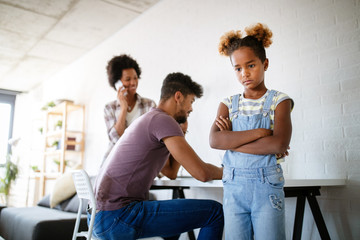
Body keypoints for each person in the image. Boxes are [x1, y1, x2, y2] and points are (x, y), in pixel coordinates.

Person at [93, 72, 224, 240]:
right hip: (118, 215)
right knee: (214, 212)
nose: (191, 108)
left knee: (173, 230)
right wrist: (230, 171)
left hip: (99, 218)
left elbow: (170, 172)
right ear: (178, 96)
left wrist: (181, 134)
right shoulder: (163, 120)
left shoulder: (148, 120)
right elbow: (202, 174)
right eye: (191, 101)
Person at [209, 23, 293, 240]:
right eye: (238, 68)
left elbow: (278, 145)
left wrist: (232, 142)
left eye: (251, 65)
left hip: (267, 187)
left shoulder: (279, 101)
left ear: (265, 64)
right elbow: (215, 141)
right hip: (233, 187)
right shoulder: (227, 103)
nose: (244, 73)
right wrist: (261, 132)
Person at [103, 54, 156, 164]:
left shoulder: (149, 105)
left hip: (141, 162)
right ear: (117, 83)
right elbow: (115, 139)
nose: (133, 83)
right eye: (128, 79)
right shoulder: (109, 108)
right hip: (115, 162)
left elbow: (153, 138)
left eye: (135, 78)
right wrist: (123, 109)